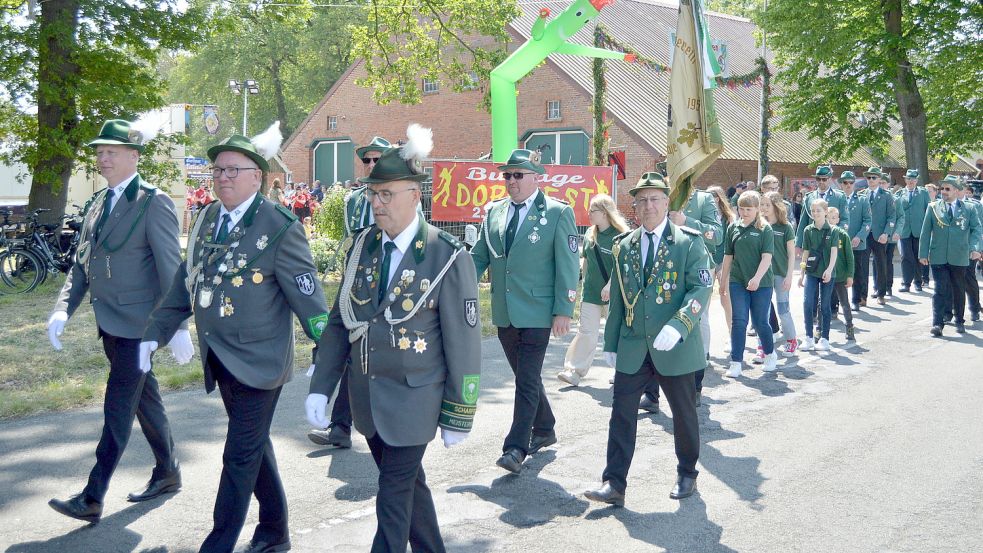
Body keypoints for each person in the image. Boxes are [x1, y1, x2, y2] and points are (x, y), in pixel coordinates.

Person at [142, 122, 330, 552]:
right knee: (255, 447)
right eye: (217, 170)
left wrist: (325, 348)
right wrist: (155, 334)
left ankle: (219, 543)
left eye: (233, 170)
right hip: (220, 357)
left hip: (260, 362)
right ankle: (275, 531)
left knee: (238, 455)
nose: (223, 177)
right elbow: (183, 283)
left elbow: (309, 296)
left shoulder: (279, 226)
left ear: (257, 177)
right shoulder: (208, 218)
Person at [306, 127, 480, 553]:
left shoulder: (447, 255)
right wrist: (321, 385)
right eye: (372, 195)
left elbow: (464, 343)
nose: (377, 204)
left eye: (386, 195)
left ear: (414, 195)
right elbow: (339, 321)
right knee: (408, 490)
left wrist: (460, 412)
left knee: (392, 495)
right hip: (367, 396)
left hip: (415, 399)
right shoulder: (363, 246)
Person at [44, 119, 192, 524]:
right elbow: (82, 264)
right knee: (147, 400)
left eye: (111, 151)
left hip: (140, 328)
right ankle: (168, 472)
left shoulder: (153, 201)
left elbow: (170, 268)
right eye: (99, 151)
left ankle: (93, 495)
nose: (102, 158)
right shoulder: (97, 203)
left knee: (118, 406)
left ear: (134, 155)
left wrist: (177, 325)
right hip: (110, 324)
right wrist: (63, 308)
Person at [583, 172, 712, 506]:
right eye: (642, 200)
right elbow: (620, 298)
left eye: (655, 199)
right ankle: (614, 484)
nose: (649, 206)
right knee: (622, 414)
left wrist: (680, 324)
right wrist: (610, 342)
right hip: (633, 344)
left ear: (666, 203)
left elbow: (701, 287)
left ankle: (687, 472)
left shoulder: (688, 241)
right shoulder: (623, 246)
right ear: (634, 207)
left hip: (675, 346)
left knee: (683, 414)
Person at [470, 148, 579, 474]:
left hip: (538, 310)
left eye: (519, 175)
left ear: (536, 177)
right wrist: (456, 286)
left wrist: (564, 309)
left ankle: (516, 447)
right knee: (525, 378)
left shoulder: (558, 213)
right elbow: (479, 257)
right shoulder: (494, 212)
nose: (512, 181)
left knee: (526, 380)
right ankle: (544, 428)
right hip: (505, 310)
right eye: (508, 175)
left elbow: (569, 265)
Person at [307, 136, 392, 450]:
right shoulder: (354, 200)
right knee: (346, 348)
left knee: (363, 358)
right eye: (366, 161)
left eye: (377, 160)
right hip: (355, 285)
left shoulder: (400, 197)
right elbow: (349, 243)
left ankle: (361, 426)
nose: (370, 165)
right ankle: (340, 426)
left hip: (386, 290)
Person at [640, 184, 723, 410]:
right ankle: (651, 392)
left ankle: (695, 384)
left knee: (697, 322)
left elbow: (717, 235)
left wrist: (687, 222)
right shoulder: (660, 196)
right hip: (660, 270)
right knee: (650, 320)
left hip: (694, 269)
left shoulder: (703, 199)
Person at [559, 194, 628, 386]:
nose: (589, 214)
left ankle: (621, 370)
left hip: (613, 295)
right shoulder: (590, 234)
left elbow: (623, 266)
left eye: (593, 211)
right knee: (586, 332)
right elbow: (587, 262)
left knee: (615, 332)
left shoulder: (620, 235)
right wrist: (580, 285)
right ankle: (574, 371)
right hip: (590, 294)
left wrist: (610, 285)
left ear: (605, 213)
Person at [720, 191, 777, 377]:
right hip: (738, 280)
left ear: (757, 209)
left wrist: (757, 278)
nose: (744, 212)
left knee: (760, 322)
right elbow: (728, 256)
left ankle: (770, 354)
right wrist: (723, 282)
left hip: (762, 283)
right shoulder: (733, 228)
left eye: (749, 209)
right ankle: (736, 362)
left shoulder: (765, 229)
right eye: (741, 209)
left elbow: (767, 258)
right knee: (739, 321)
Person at [920, 176, 981, 336]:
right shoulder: (933, 207)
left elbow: (976, 230)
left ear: (956, 190)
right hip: (938, 256)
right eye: (942, 189)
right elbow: (925, 232)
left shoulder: (969, 208)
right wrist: (923, 253)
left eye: (948, 189)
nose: (944, 192)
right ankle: (937, 324)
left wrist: (975, 248)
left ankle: (959, 320)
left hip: (960, 256)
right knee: (940, 290)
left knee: (958, 289)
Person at [798, 199, 839, 351]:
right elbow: (806, 253)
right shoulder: (808, 230)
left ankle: (824, 338)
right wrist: (801, 273)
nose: (815, 213)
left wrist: (829, 270)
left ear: (826, 212)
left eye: (818, 210)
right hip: (812, 271)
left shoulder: (833, 230)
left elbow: (834, 252)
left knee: (825, 305)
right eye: (813, 210)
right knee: (808, 302)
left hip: (827, 273)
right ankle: (808, 337)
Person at [761, 191, 798, 356]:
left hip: (781, 275)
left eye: (767, 205)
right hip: (764, 276)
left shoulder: (786, 227)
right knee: (763, 312)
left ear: (776, 206)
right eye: (762, 204)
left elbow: (791, 255)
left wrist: (789, 275)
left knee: (783, 310)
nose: (763, 208)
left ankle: (791, 340)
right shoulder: (760, 225)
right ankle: (764, 345)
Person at [838, 172, 873, 311]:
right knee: (839, 272)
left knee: (858, 272)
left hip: (857, 241)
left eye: (850, 183)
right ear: (841, 184)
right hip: (840, 242)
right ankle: (839, 301)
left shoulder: (862, 200)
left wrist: (859, 236)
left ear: (854, 184)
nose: (848, 185)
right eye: (845, 182)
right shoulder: (837, 198)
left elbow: (867, 221)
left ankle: (856, 299)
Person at [707, 186, 736, 348]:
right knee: (705, 300)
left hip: (724, 259)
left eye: (711, 196)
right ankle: (704, 342)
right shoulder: (705, 215)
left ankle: (733, 335)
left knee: (726, 298)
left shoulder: (728, 217)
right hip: (708, 259)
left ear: (718, 198)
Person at [863, 167, 897, 305]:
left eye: (874, 178)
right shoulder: (862, 194)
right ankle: (861, 296)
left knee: (881, 264)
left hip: (879, 235)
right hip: (864, 235)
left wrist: (886, 233)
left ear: (879, 179)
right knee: (862, 265)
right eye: (869, 178)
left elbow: (892, 216)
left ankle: (881, 293)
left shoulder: (886, 195)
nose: (871, 180)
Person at [895, 169, 930, 292]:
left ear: (917, 180)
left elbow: (928, 211)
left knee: (918, 256)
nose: (910, 181)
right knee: (905, 256)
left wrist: (928, 229)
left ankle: (918, 282)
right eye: (908, 179)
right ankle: (906, 283)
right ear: (905, 180)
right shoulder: (899, 194)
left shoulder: (923, 193)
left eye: (913, 179)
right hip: (904, 230)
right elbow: (896, 213)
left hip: (919, 229)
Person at [826, 207, 857, 340]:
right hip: (826, 276)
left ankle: (849, 326)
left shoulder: (842, 235)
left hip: (840, 276)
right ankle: (820, 330)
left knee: (844, 302)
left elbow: (850, 257)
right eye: (829, 218)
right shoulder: (822, 233)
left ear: (838, 219)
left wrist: (850, 275)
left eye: (834, 218)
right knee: (823, 303)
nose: (831, 220)